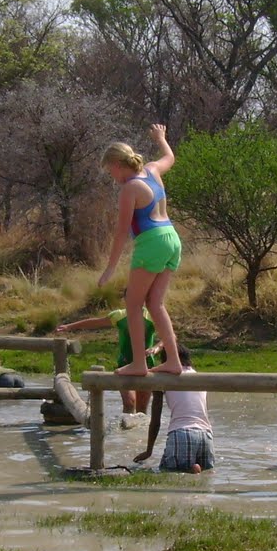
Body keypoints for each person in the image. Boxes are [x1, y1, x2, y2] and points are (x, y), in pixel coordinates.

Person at [97, 124, 183, 379]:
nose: (111, 176)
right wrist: (161, 139)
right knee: (155, 303)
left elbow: (122, 232)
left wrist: (110, 268)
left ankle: (138, 364)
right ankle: (174, 361)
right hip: (172, 237)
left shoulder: (130, 189)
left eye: (109, 170)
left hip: (152, 241)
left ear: (117, 164)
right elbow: (170, 157)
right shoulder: (153, 170)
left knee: (133, 305)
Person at [54, 309, 157, 413]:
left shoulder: (151, 316)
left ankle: (140, 429)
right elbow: (96, 322)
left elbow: (167, 336)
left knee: (142, 408)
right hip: (124, 365)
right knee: (129, 402)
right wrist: (70, 326)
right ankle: (124, 427)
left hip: (147, 365)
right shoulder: (120, 315)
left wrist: (156, 348)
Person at [134, 347, 213, 473]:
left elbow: (155, 420)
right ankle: (194, 470)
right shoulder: (196, 375)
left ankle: (193, 469)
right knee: (204, 474)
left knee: (165, 472)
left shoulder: (163, 379)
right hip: (206, 435)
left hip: (181, 432)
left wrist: (149, 450)